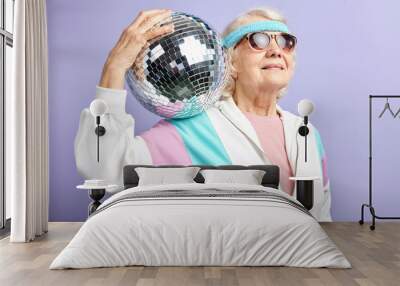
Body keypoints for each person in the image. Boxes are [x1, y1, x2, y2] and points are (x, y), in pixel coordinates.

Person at [74, 8, 332, 221]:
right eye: (259, 40)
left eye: (286, 42)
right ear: (230, 62)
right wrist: (115, 66)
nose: (276, 50)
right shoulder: (191, 128)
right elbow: (104, 170)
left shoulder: (307, 134)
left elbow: (322, 216)